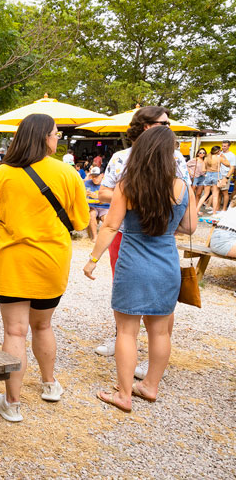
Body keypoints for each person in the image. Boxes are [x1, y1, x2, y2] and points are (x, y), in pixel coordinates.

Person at [0, 113, 89, 422]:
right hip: (52, 261)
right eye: (55, 134)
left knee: (15, 330)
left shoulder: (1, 174)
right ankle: (49, 384)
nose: (57, 139)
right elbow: (80, 221)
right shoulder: (68, 173)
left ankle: (12, 403)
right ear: (43, 137)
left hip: (14, 262)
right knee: (43, 325)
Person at [84, 126, 196, 412]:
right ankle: (150, 386)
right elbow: (190, 227)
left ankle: (123, 394)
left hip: (133, 263)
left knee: (126, 331)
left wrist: (92, 259)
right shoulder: (183, 186)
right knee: (160, 332)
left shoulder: (128, 185)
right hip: (166, 262)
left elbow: (110, 225)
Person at [95, 107, 192, 369]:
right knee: (126, 294)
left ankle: (149, 356)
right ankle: (125, 342)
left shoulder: (177, 158)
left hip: (151, 234)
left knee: (161, 307)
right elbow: (103, 192)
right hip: (128, 234)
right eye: (163, 123)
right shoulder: (120, 158)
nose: (168, 127)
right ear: (146, 126)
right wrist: (128, 196)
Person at [197, 145, 230, 215]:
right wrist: (224, 157)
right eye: (220, 150)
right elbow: (228, 164)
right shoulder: (219, 158)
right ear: (217, 151)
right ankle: (214, 213)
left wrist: (207, 174)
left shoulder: (206, 158)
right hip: (216, 176)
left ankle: (196, 210)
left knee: (205, 195)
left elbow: (203, 170)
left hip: (208, 175)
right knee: (215, 195)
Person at [85, 167, 109, 242]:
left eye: (96, 176)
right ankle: (95, 237)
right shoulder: (87, 183)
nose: (94, 178)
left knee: (106, 218)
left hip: (105, 207)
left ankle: (106, 238)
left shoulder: (107, 184)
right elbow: (83, 197)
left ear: (102, 175)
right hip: (92, 206)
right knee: (92, 214)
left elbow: (111, 200)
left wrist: (97, 197)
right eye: (92, 176)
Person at [217, 140, 235, 210]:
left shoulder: (232, 155)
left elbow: (232, 168)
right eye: (222, 146)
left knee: (225, 192)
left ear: (229, 146)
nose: (223, 147)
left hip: (225, 175)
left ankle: (224, 210)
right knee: (218, 193)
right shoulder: (220, 153)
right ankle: (217, 209)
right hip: (219, 175)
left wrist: (226, 178)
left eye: (225, 146)